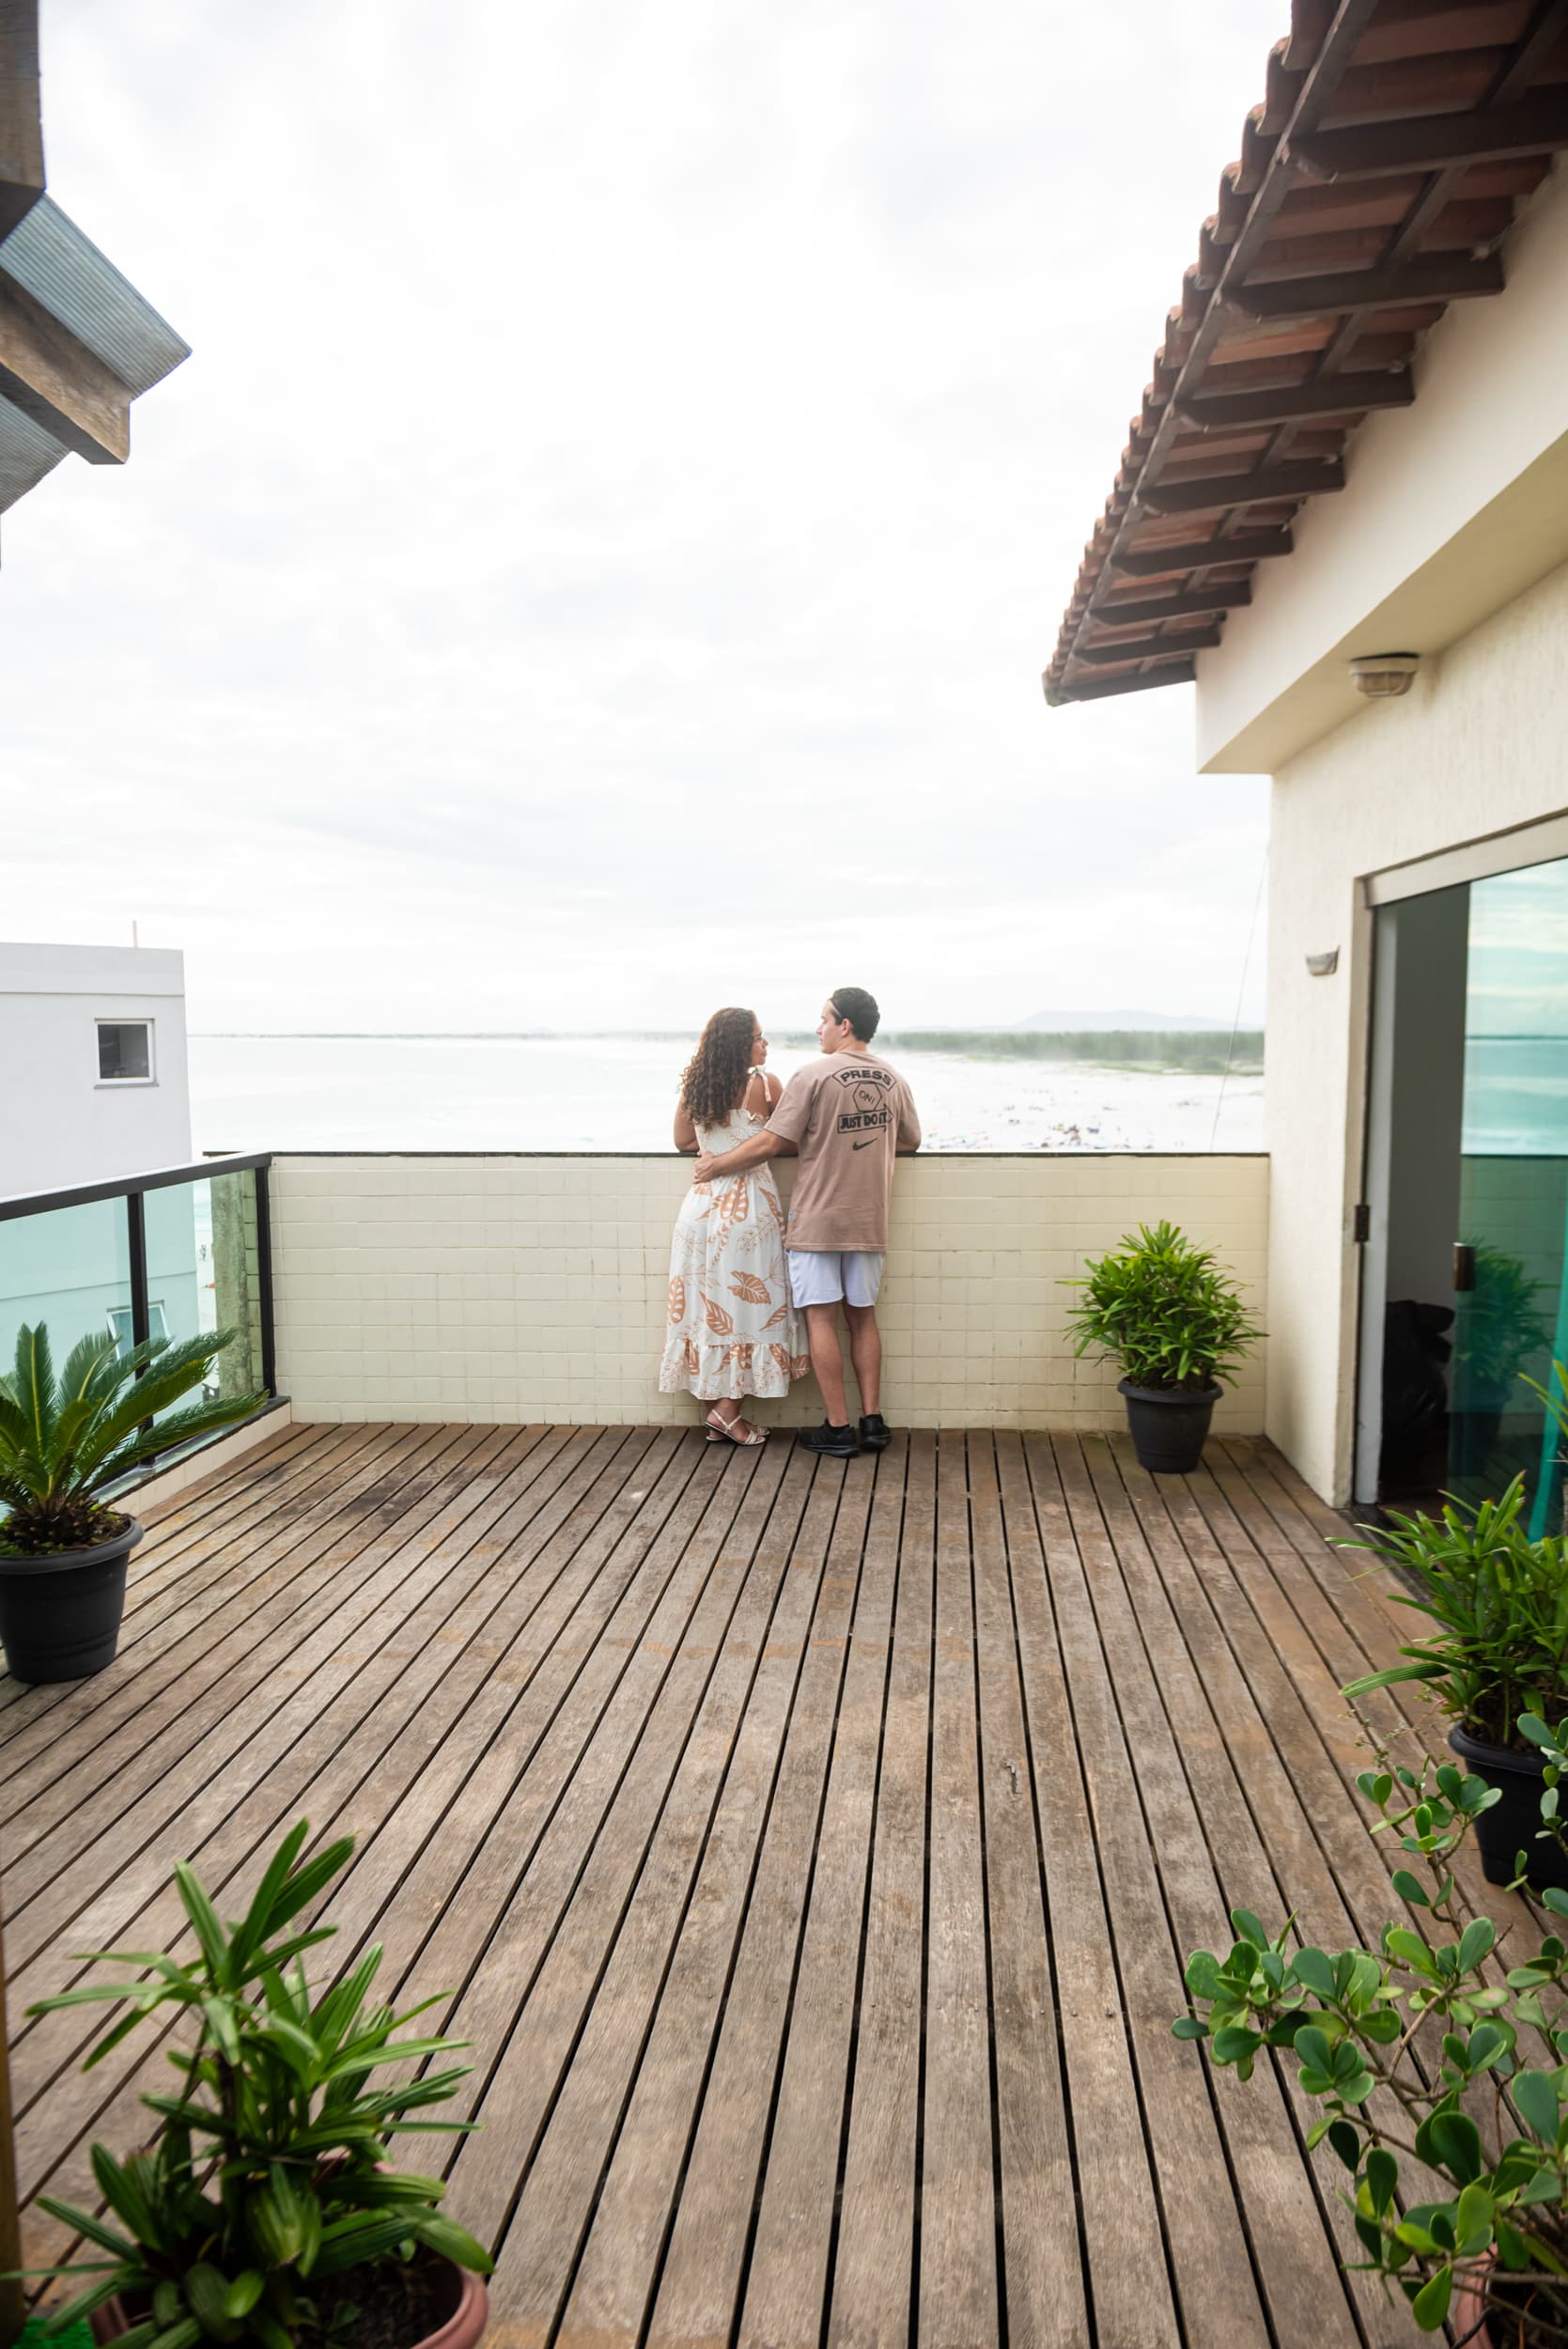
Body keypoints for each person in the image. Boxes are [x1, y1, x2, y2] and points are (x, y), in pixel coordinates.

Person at [693, 987, 920, 1457]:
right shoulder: (894, 1078)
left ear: (845, 1026)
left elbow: (772, 1142)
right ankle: (873, 1422)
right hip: (870, 1219)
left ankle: (838, 1429)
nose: (818, 1028)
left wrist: (717, 1165)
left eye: (823, 1019)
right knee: (862, 1318)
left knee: (820, 1318)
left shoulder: (812, 1074)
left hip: (818, 1220)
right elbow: (911, 1141)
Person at [660, 1005, 809, 1443]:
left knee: (708, 1308)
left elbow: (683, 1141)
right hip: (747, 1210)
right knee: (752, 1307)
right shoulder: (766, 1085)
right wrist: (747, 1145)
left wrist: (715, 1149)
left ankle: (719, 1412)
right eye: (760, 1037)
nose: (766, 1044)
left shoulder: (697, 1086)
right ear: (742, 1044)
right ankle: (727, 1414)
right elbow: (786, 1141)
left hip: (701, 1209)